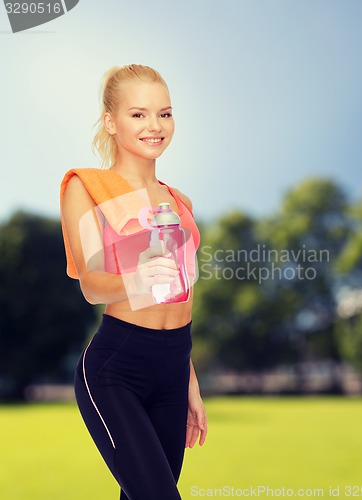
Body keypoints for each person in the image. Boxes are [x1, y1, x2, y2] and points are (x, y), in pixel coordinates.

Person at [60, 64, 207, 500]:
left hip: (174, 365)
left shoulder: (180, 202)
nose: (155, 126)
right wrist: (137, 278)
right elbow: (91, 284)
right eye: (139, 114)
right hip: (117, 367)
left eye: (164, 113)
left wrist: (190, 381)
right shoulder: (86, 187)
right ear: (111, 122)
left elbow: (183, 295)